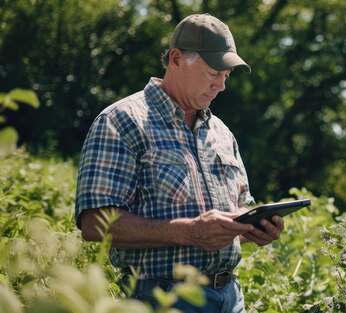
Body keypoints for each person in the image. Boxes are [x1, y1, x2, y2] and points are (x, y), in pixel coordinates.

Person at [74, 13, 284, 312]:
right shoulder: (122, 120)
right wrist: (189, 231)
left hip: (231, 297)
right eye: (214, 72)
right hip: (162, 298)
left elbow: (238, 213)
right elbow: (94, 224)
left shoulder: (222, 133)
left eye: (227, 76)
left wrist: (254, 229)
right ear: (176, 59)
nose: (221, 86)